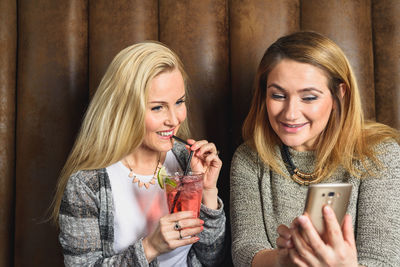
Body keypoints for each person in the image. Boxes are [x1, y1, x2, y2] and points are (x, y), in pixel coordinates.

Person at [230, 31, 400, 267]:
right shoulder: (250, 157)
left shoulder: (379, 154)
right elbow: (244, 251)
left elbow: (385, 261)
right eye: (278, 95)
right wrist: (286, 258)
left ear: (339, 95)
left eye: (309, 98)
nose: (290, 113)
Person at [51, 41, 225, 266]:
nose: (174, 120)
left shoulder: (187, 160)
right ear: (125, 109)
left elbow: (211, 258)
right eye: (157, 107)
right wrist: (150, 247)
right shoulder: (86, 184)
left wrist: (208, 190)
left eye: (179, 102)